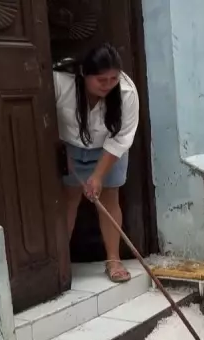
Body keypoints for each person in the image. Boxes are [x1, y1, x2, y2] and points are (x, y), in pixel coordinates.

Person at [53, 43, 140, 283]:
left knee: (109, 198)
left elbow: (122, 137)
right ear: (83, 73)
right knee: (68, 199)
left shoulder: (125, 93)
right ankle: (60, 262)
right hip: (69, 146)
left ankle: (113, 259)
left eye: (113, 78)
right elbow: (43, 116)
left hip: (108, 149)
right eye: (101, 79)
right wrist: (59, 150)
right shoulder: (60, 83)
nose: (108, 84)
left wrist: (98, 175)